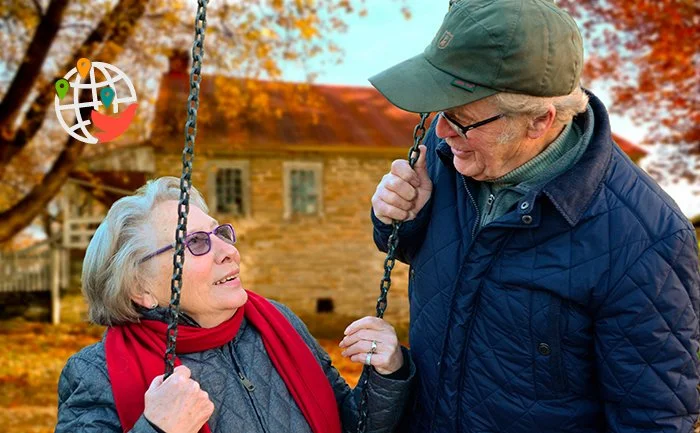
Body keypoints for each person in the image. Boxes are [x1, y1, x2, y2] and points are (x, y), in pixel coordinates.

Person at [368, 1, 700, 432]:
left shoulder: (646, 239)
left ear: (539, 121)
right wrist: (398, 217)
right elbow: (420, 253)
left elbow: (653, 419)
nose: (444, 133)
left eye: (461, 120)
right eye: (439, 114)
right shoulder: (451, 152)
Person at [56, 176, 414, 433]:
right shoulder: (95, 372)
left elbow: (351, 424)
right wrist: (156, 429)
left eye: (220, 233)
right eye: (196, 243)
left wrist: (388, 374)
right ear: (140, 287)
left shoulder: (278, 323)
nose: (229, 251)